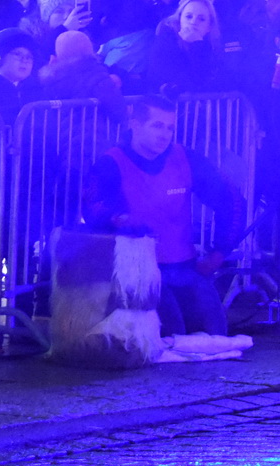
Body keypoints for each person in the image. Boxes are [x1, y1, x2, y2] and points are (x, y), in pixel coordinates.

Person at [85, 96, 244, 336]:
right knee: (174, 330)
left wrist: (219, 252)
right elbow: (93, 211)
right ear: (135, 125)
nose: (165, 134)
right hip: (136, 271)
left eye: (170, 128)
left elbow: (232, 202)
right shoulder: (111, 163)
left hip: (184, 267)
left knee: (215, 332)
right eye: (157, 126)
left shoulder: (186, 158)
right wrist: (121, 220)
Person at [149, 0, 226, 97]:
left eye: (201, 19)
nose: (193, 22)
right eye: (188, 17)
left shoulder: (213, 48)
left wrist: (198, 45)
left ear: (209, 27)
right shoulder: (165, 43)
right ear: (179, 20)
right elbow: (180, 80)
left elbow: (208, 82)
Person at [37, 29, 124, 121]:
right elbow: (116, 107)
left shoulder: (51, 79)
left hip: (62, 132)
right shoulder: (96, 74)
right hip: (93, 131)